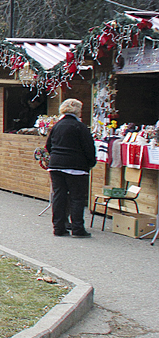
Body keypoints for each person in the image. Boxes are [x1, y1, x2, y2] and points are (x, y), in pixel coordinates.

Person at [45, 98, 97, 237]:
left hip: (56, 165)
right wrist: (90, 163)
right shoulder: (80, 127)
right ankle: (78, 228)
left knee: (59, 196)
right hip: (76, 167)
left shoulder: (57, 126)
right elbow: (88, 147)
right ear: (78, 111)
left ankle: (59, 227)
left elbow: (48, 145)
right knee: (76, 198)